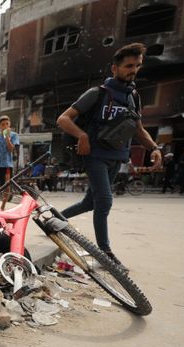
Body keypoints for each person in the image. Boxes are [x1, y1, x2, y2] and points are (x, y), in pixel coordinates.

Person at [56, 43, 162, 268]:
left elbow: (139, 129)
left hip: (117, 156)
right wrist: (82, 136)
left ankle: (53, 221)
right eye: (128, 66)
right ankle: (104, 253)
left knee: (89, 203)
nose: (133, 70)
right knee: (104, 201)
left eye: (137, 66)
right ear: (114, 68)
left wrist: (155, 149)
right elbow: (63, 119)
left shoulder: (133, 96)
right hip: (95, 155)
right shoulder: (97, 93)